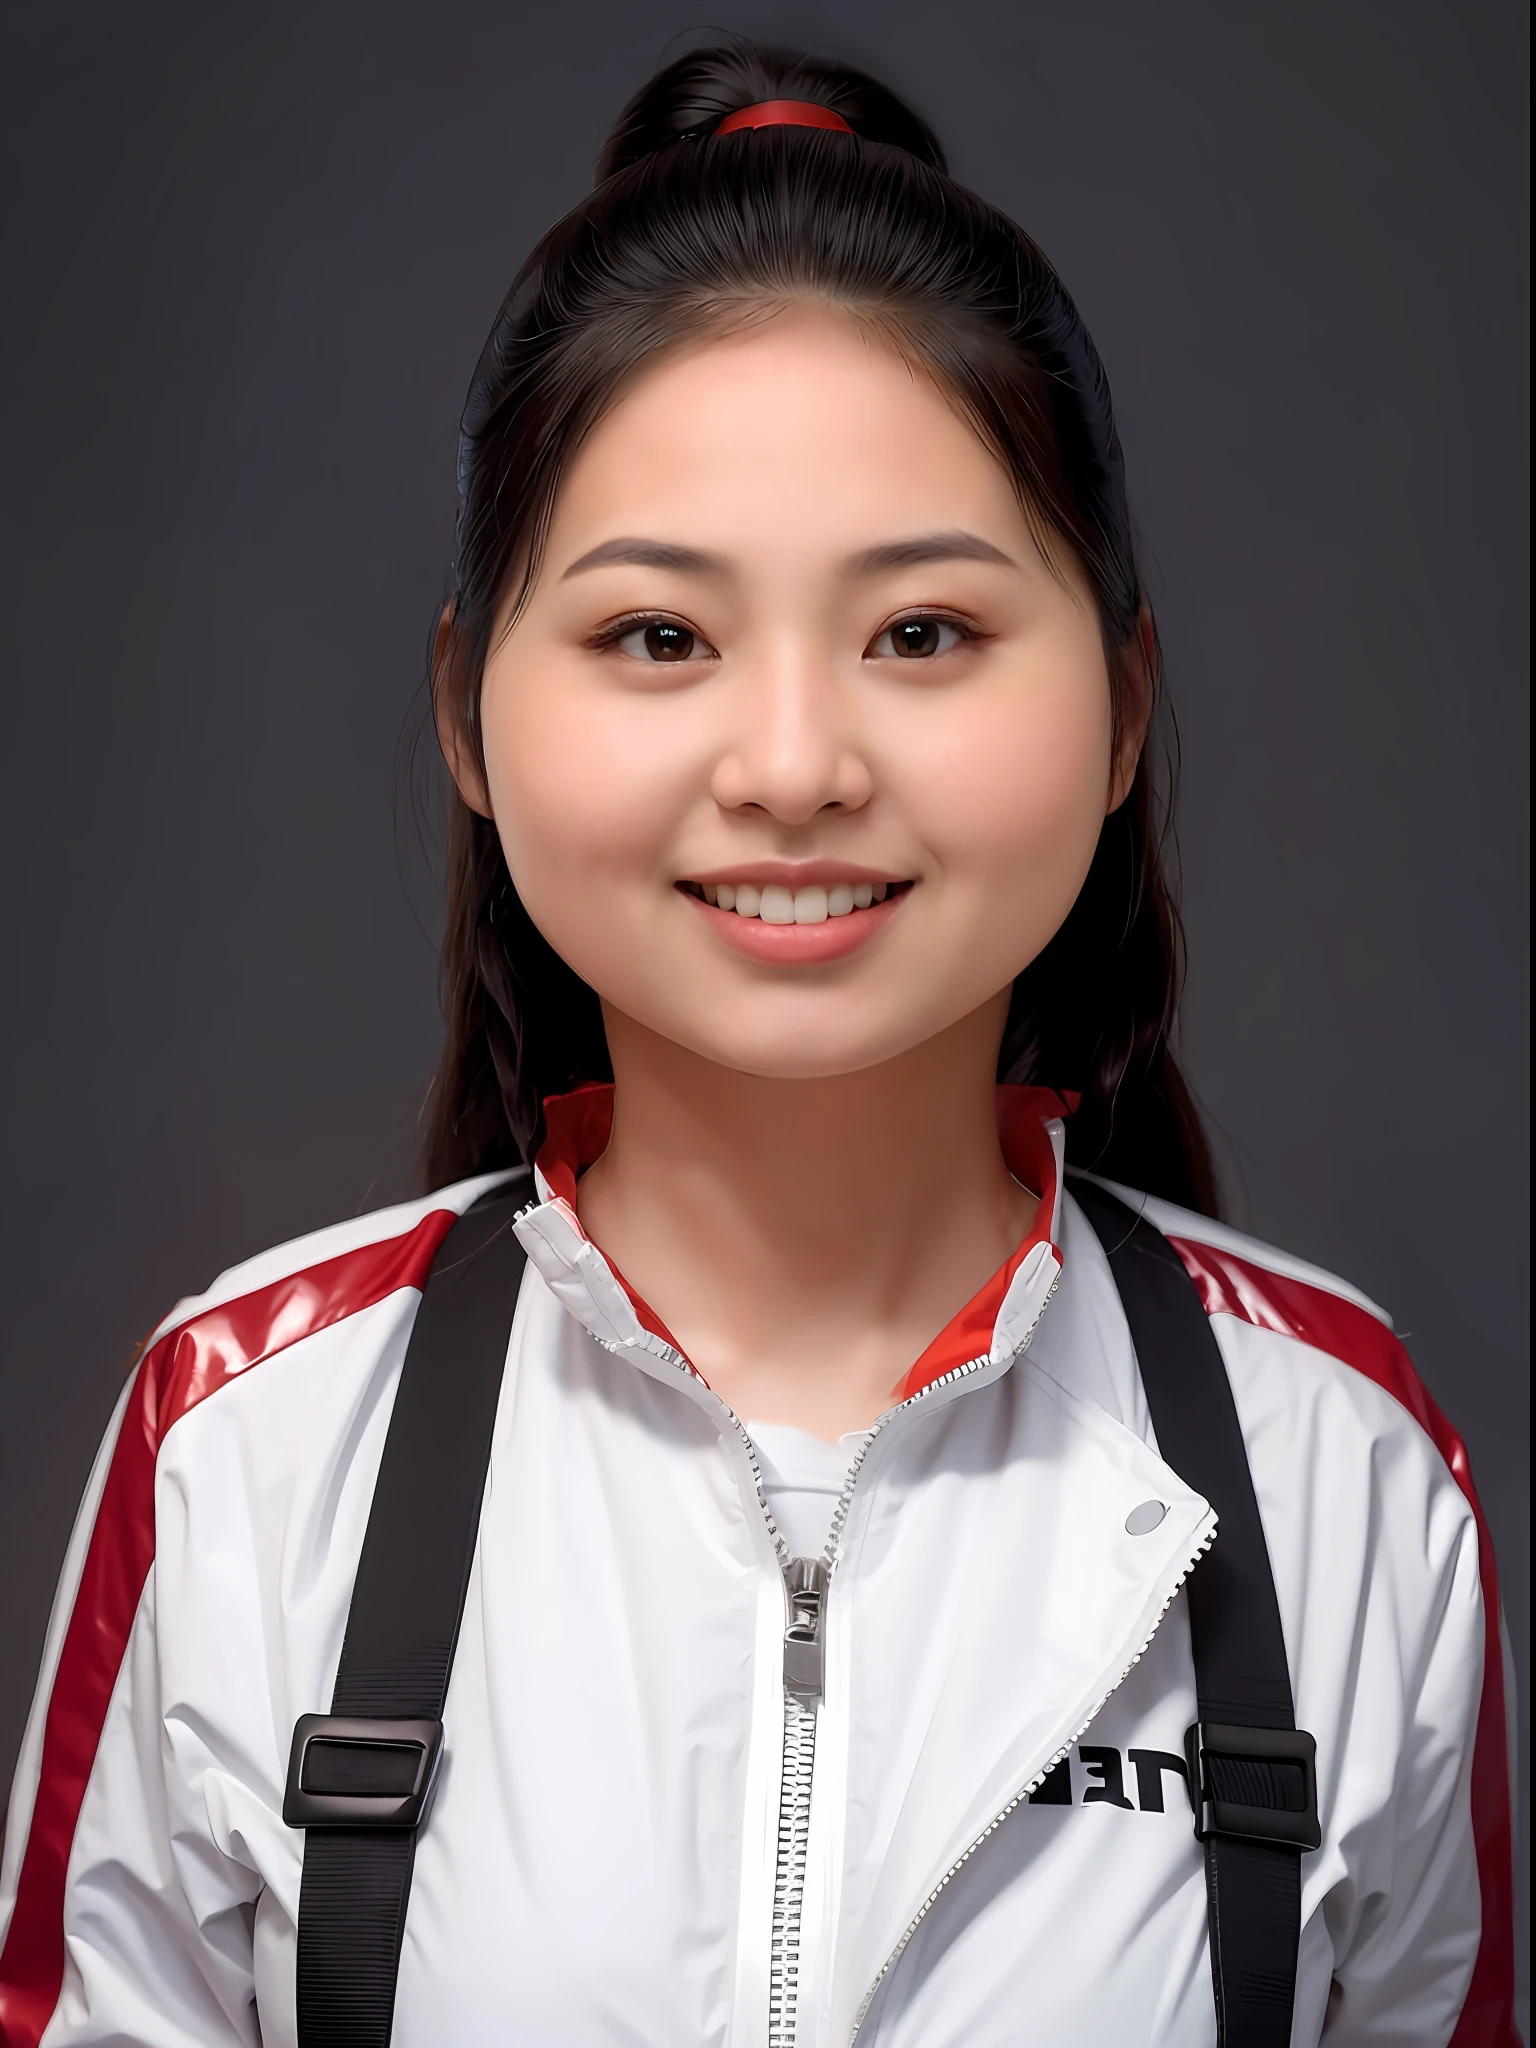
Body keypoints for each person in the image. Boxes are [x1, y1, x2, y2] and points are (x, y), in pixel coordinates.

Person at [0, 41, 1515, 2048]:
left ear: (1124, 705)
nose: (792, 765)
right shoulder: (243, 1454)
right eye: (658, 636)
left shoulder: (1346, 1470)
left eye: (921, 634)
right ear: (470, 711)